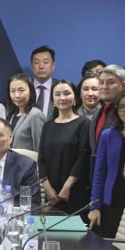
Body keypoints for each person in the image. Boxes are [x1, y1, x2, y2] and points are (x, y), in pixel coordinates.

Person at [88, 89, 125, 238]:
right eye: (122, 106)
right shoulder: (108, 135)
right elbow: (99, 173)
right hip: (111, 200)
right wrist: (95, 206)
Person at [37, 80, 91, 215]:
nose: (62, 98)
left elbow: (84, 157)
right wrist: (47, 188)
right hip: (51, 193)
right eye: (57, 94)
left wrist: (67, 186)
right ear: (53, 100)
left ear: (75, 98)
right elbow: (41, 160)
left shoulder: (84, 124)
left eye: (67, 93)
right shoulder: (48, 126)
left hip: (74, 191)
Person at [89, 65, 125, 174]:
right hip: (98, 172)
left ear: (123, 85)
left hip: (120, 173)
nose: (104, 87)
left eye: (111, 82)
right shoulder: (97, 112)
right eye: (101, 82)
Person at [5, 73, 45, 151]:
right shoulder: (12, 116)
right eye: (13, 91)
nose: (17, 95)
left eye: (21, 90)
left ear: (31, 91)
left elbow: (40, 149)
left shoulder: (35, 115)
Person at [30, 45, 56, 118]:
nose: (41, 66)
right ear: (31, 66)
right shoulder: (24, 87)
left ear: (53, 65)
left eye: (46, 62)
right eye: (36, 62)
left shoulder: (60, 87)